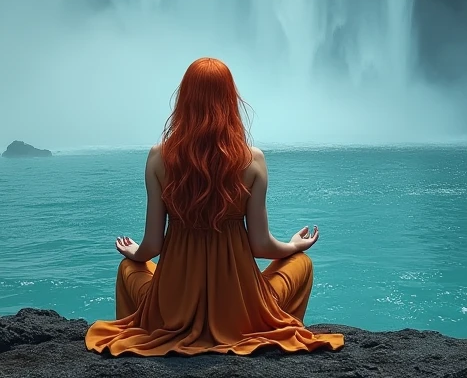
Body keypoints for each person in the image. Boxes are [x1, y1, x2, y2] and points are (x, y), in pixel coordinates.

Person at [85, 57, 344, 356]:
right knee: (303, 264)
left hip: (172, 310)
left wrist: (135, 253)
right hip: (241, 313)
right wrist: (293, 246)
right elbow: (260, 246)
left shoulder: (158, 158)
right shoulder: (252, 160)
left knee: (129, 267)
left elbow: (152, 245)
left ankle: (147, 327)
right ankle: (270, 331)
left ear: (184, 100)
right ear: (230, 101)